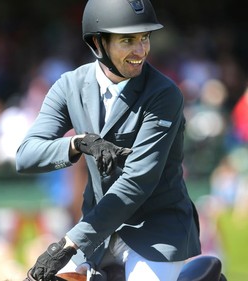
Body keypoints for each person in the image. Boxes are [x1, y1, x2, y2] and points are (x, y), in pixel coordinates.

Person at [16, 0, 201, 280]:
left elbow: (136, 183)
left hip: (155, 230)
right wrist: (78, 144)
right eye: (128, 40)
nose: (141, 51)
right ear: (97, 42)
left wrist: (69, 243)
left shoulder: (165, 94)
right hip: (98, 231)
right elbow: (26, 156)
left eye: (145, 38)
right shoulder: (69, 86)